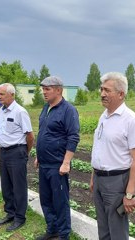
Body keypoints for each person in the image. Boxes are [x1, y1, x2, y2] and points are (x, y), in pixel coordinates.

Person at [90, 72, 135, 240]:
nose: (102, 94)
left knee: (117, 230)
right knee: (103, 226)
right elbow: (100, 148)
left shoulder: (131, 120)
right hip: (100, 180)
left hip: (116, 182)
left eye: (107, 90)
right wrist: (94, 177)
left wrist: (129, 194)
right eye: (101, 89)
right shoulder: (104, 116)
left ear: (121, 94)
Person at [34, 76, 80, 240]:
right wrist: (38, 156)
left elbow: (73, 137)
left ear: (59, 90)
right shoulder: (46, 108)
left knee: (60, 201)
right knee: (45, 199)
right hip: (44, 163)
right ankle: (52, 228)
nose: (44, 92)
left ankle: (63, 234)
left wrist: (66, 162)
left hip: (57, 165)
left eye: (48, 89)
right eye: (43, 89)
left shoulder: (68, 110)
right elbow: (43, 133)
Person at [0, 83, 34, 232]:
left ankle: (20, 217)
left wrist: (25, 153)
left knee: (18, 187)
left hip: (17, 152)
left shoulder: (20, 112)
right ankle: (10, 213)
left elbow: (30, 136)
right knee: (6, 186)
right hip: (4, 152)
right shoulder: (1, 111)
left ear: (12, 95)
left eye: (2, 94)